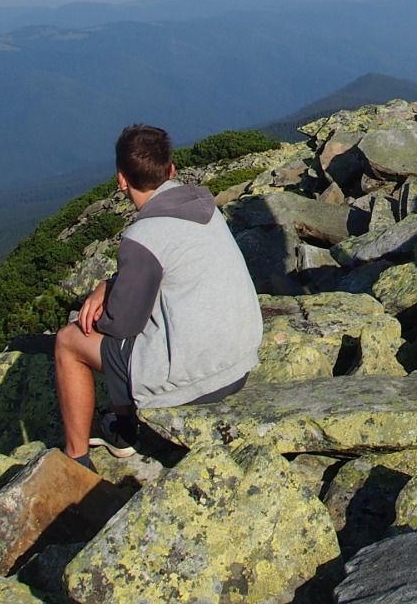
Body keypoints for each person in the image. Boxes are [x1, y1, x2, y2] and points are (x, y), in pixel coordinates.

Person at [53, 123, 263, 468]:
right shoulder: (204, 206)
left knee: (69, 341)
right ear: (171, 170)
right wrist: (111, 284)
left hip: (200, 380)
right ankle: (124, 431)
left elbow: (122, 324)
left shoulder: (143, 235)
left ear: (122, 179)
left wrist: (95, 311)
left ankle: (76, 459)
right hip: (239, 361)